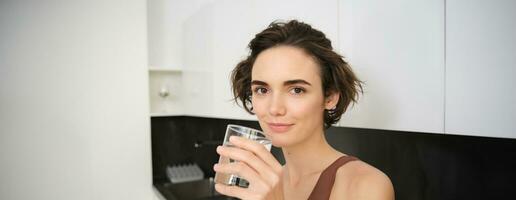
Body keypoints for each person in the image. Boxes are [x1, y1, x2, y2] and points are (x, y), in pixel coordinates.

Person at [213, 20, 394, 200]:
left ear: (330, 97)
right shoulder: (262, 183)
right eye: (262, 90)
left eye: (296, 90)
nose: (275, 109)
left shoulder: (366, 186)